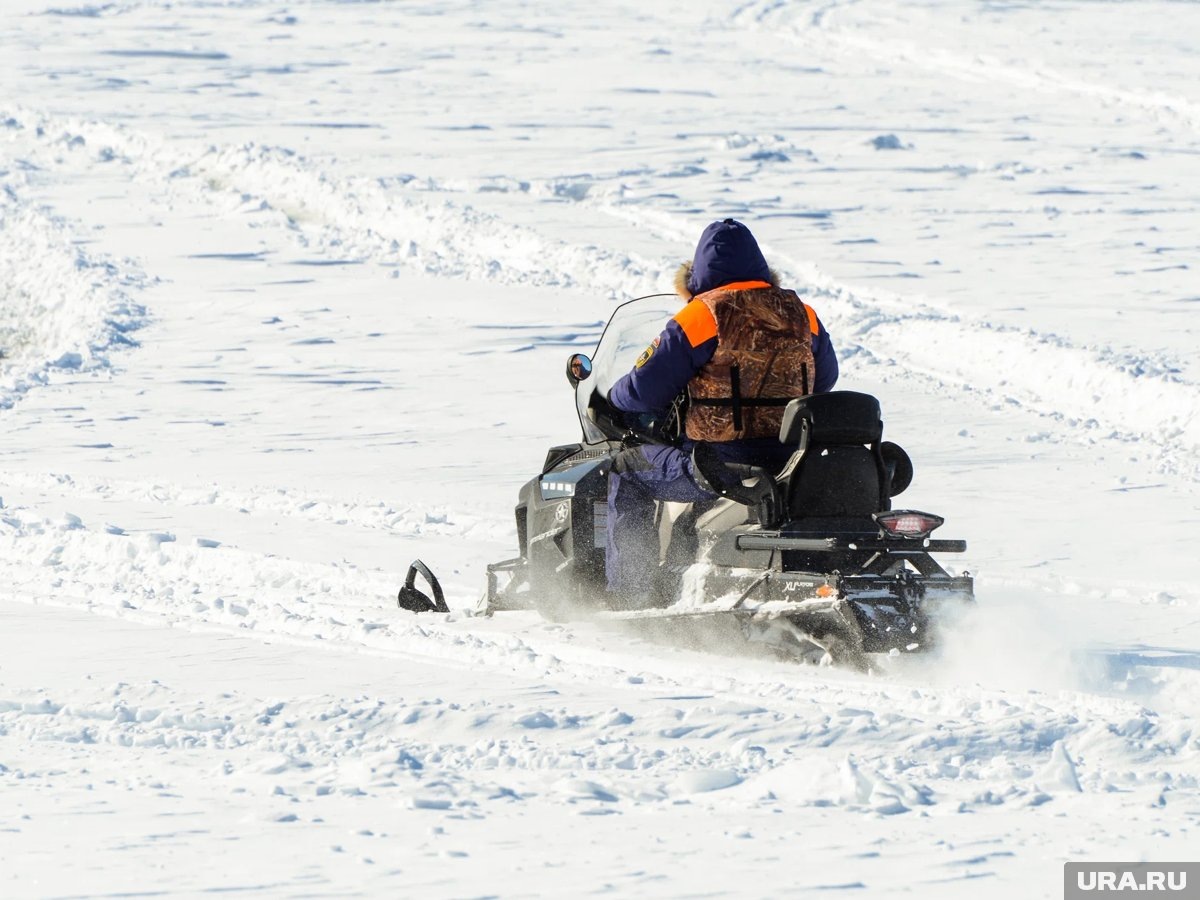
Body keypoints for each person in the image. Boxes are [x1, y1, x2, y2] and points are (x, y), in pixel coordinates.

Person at [604, 219, 838, 605]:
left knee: (626, 472)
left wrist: (615, 397)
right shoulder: (803, 313)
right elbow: (825, 378)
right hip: (790, 459)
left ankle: (631, 593)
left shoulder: (701, 315)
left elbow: (645, 390)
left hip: (719, 464)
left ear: (699, 273)